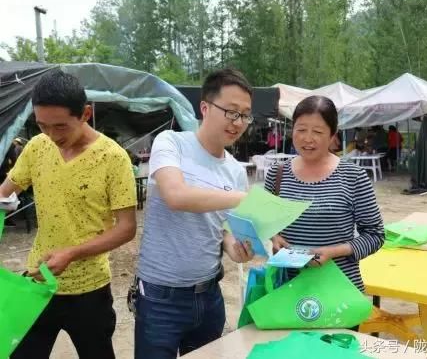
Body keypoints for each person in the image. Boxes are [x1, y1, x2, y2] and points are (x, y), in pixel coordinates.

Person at [2, 70, 137, 359]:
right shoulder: (37, 147)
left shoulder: (112, 158)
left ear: (85, 114)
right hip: (38, 284)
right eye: (42, 126)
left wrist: (71, 253)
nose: (51, 136)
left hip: (89, 291)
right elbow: (5, 190)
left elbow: (126, 228)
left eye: (61, 126)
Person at [134, 68, 254, 359]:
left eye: (245, 115)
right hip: (161, 297)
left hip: (209, 295)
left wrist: (233, 248)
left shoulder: (236, 170)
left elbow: (222, 226)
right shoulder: (171, 143)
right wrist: (242, 199)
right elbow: (176, 195)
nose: (238, 123)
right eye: (231, 112)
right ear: (205, 107)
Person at [264, 95, 384, 298]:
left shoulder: (353, 176)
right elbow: (264, 222)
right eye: (301, 129)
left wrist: (333, 252)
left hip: (338, 290)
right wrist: (274, 237)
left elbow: (375, 235)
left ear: (332, 135)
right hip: (287, 290)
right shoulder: (278, 174)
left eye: (317, 132)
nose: (307, 138)